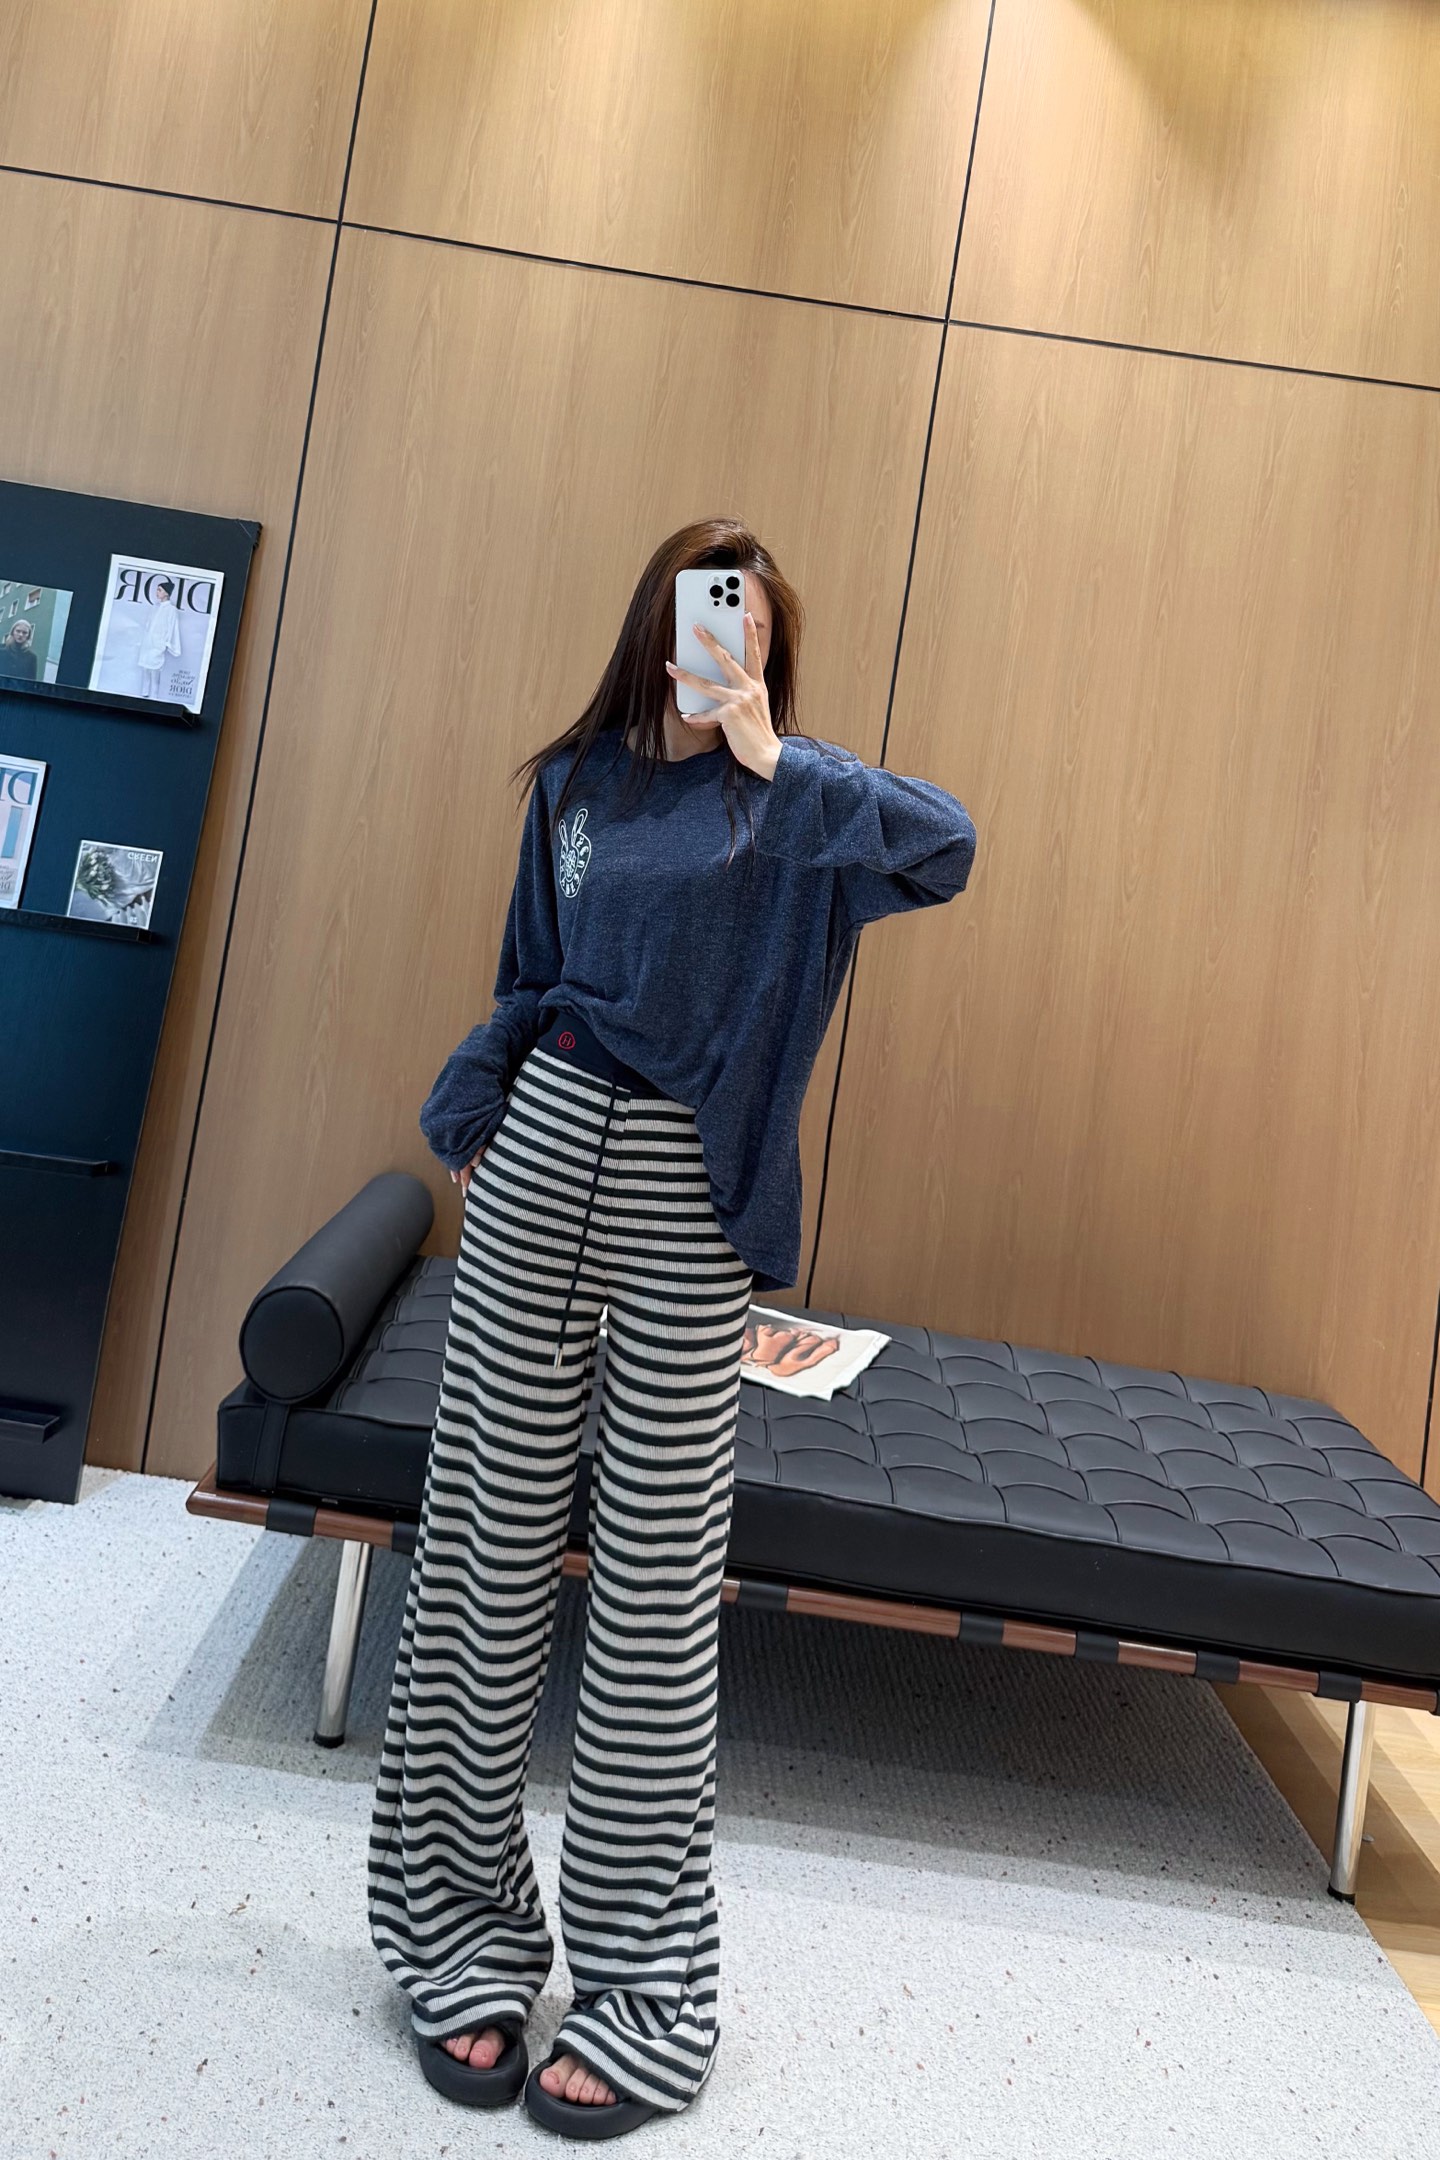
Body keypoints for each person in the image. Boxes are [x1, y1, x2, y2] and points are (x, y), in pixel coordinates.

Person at [366, 517, 978, 2141]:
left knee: (651, 1601)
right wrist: (475, 1103)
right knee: (480, 1558)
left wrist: (781, 756)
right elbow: (528, 977)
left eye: (752, 626)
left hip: (691, 1207)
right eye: (708, 616)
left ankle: (645, 1992)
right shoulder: (573, 792)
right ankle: (457, 1941)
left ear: (772, 648)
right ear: (656, 624)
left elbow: (952, 848)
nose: (726, 643)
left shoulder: (804, 811)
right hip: (538, 1164)